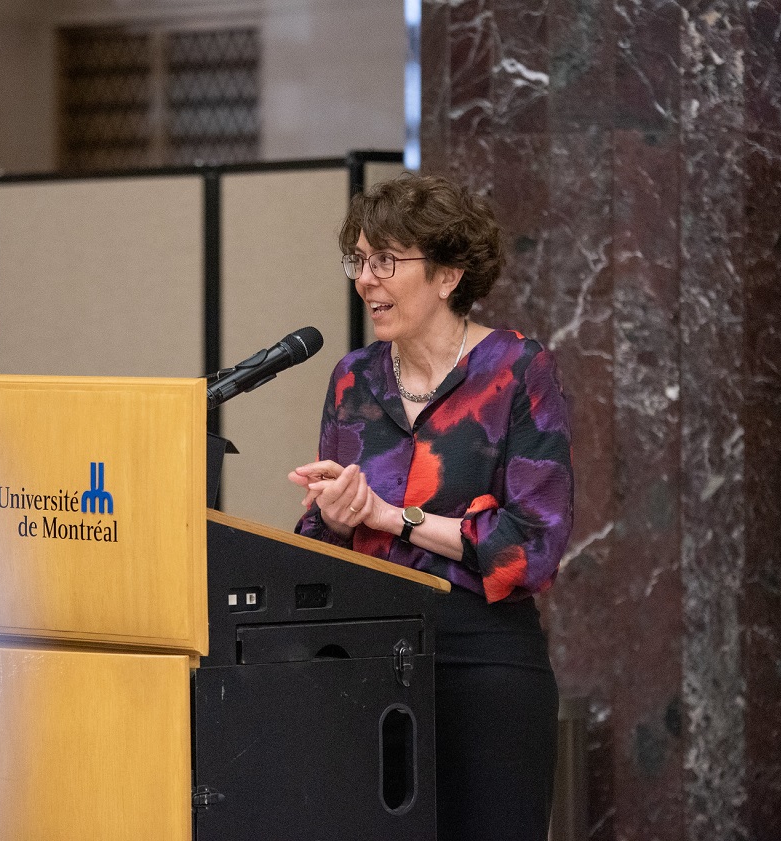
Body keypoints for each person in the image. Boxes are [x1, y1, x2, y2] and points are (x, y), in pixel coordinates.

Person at [289, 173, 574, 841]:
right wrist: (332, 515)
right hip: (368, 665)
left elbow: (534, 544)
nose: (364, 279)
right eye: (358, 260)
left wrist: (395, 517)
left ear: (448, 275)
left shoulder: (518, 370)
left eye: (385, 261)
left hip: (486, 664)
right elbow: (321, 539)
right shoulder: (353, 379)